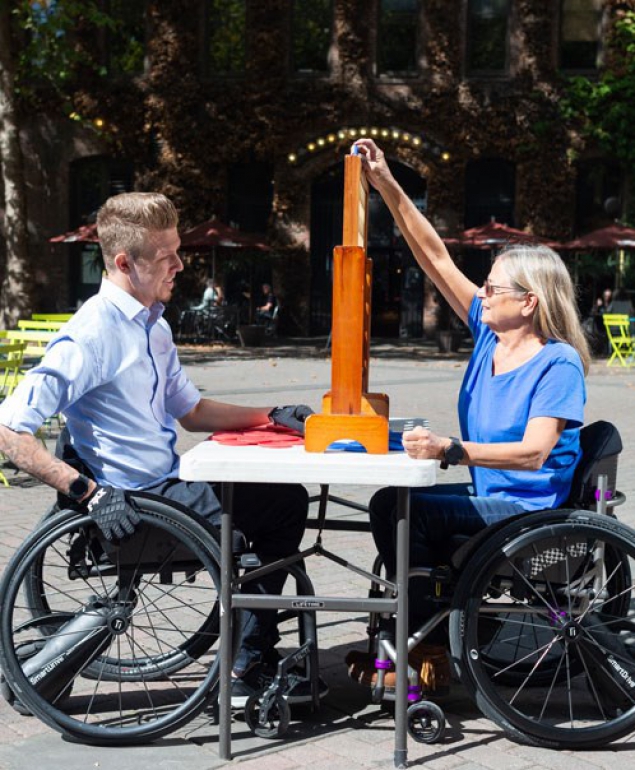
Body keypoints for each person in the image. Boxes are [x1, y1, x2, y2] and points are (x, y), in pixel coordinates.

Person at [0, 192, 326, 708]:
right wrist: (86, 492)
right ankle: (249, 661)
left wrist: (272, 414)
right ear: (125, 262)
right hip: (139, 502)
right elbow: (8, 430)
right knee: (283, 504)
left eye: (178, 250)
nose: (179, 265)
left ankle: (250, 648)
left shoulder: (153, 324)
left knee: (273, 497)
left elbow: (192, 411)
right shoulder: (92, 334)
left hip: (168, 485)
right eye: (166, 255)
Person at [345, 138, 589, 695]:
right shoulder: (490, 335)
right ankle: (428, 625)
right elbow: (434, 257)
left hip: (527, 507)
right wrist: (386, 183)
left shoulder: (558, 363)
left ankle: (426, 643)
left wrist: (450, 450)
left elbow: (534, 453)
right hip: (494, 496)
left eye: (495, 288)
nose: (483, 292)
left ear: (529, 302)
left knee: (411, 515)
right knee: (393, 503)